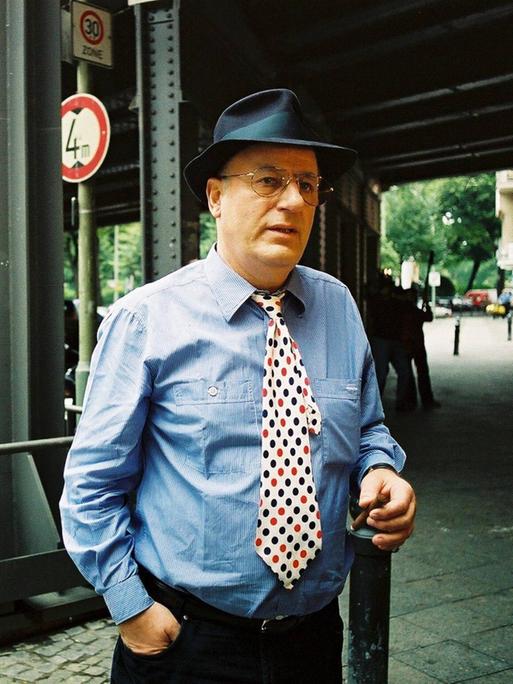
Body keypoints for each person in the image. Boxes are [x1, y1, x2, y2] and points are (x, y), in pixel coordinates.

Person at [60, 89, 416, 684]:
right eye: (269, 180)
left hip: (314, 637)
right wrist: (131, 608)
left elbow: (368, 427)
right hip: (187, 643)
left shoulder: (337, 306)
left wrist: (378, 470)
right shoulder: (147, 319)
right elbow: (92, 485)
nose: (294, 201)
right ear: (216, 196)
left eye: (308, 184)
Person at [367, 273, 416, 411]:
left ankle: (399, 403)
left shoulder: (395, 300)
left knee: (402, 372)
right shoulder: (379, 300)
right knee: (381, 374)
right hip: (382, 339)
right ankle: (375, 406)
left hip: (394, 340)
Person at [401, 286, 441, 410]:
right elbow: (428, 317)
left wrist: (426, 305)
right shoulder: (410, 310)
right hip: (412, 344)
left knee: (415, 374)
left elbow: (428, 317)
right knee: (418, 373)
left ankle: (413, 400)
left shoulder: (406, 310)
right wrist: (426, 306)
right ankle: (424, 400)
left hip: (412, 344)